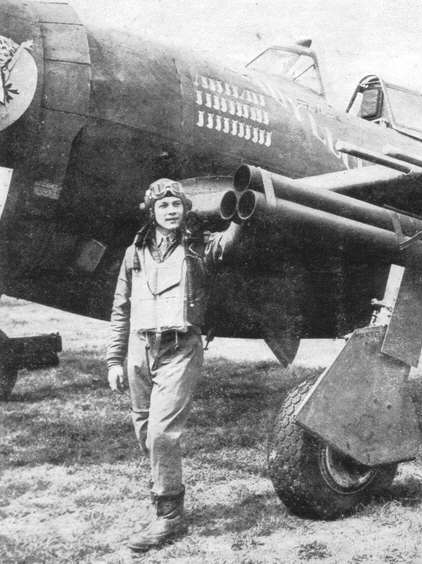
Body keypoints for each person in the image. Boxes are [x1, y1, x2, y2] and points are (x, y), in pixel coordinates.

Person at [106, 178, 242, 552]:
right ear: (152, 212)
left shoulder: (198, 246)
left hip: (180, 347)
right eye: (163, 205)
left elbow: (227, 244)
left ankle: (169, 516)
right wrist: (114, 358)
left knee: (162, 433)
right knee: (144, 428)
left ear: (185, 209)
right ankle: (163, 489)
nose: (171, 211)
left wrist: (243, 214)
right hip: (139, 348)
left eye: (176, 204)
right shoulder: (133, 252)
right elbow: (121, 308)